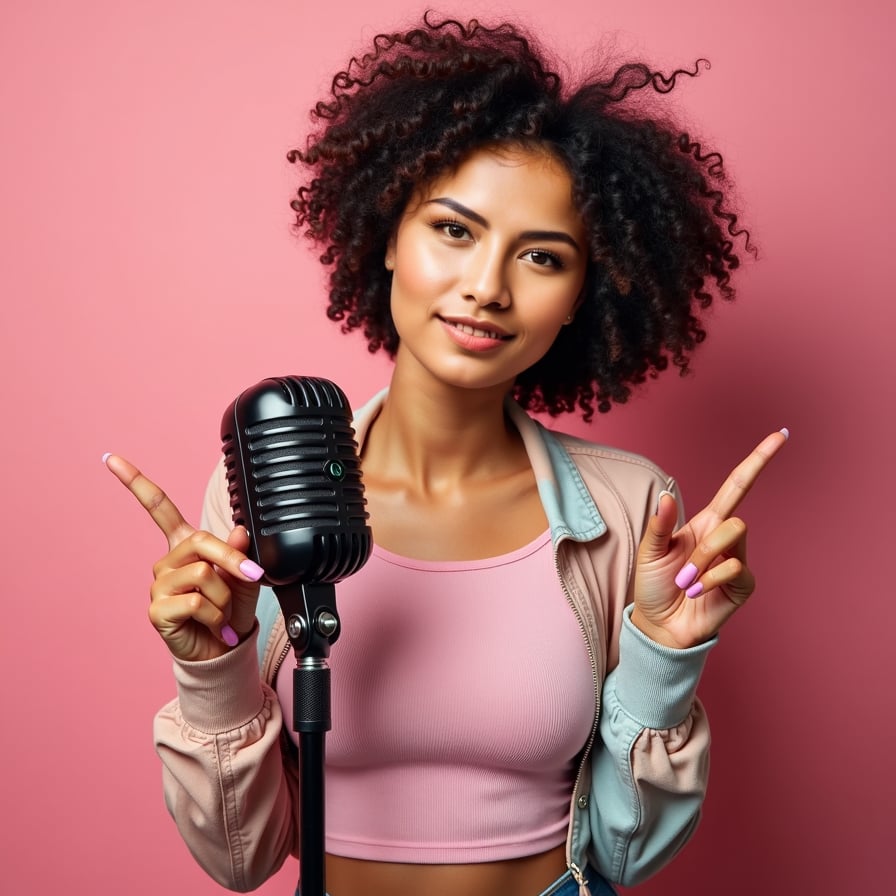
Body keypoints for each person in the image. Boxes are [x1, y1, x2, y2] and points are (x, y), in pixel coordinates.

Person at [105, 14, 787, 896]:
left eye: (542, 256)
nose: (487, 288)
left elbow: (626, 856)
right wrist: (213, 667)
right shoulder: (268, 488)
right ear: (389, 236)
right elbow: (238, 861)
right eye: (455, 231)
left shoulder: (631, 509)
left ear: (583, 294)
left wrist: (664, 653)